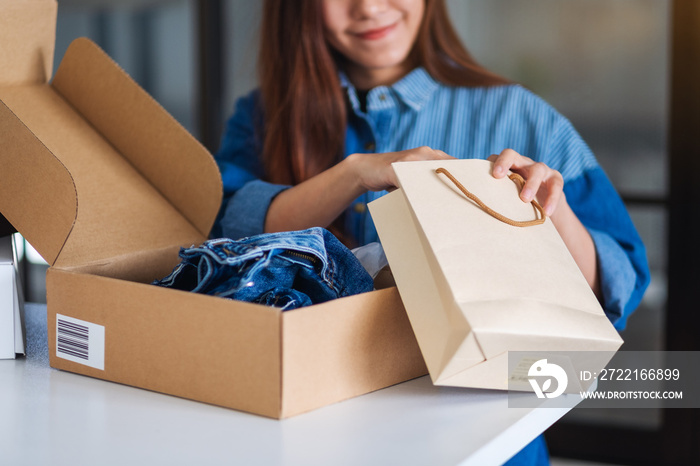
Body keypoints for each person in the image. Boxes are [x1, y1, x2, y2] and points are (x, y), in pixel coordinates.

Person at [212, 0, 650, 464]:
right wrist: (356, 172)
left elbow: (611, 290)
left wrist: (548, 210)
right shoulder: (265, 116)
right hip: (317, 436)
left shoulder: (522, 115)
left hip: (485, 443)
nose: (370, 7)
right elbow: (230, 232)